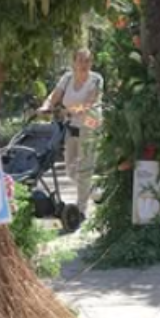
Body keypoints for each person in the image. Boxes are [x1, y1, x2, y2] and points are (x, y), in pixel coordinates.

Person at [39, 48, 104, 219]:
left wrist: (67, 111)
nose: (84, 64)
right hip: (71, 126)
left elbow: (88, 104)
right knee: (70, 170)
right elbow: (55, 95)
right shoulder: (67, 78)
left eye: (87, 61)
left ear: (91, 63)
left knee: (84, 169)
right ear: (74, 62)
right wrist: (46, 106)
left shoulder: (96, 79)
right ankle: (92, 190)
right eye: (80, 60)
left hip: (90, 125)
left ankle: (81, 211)